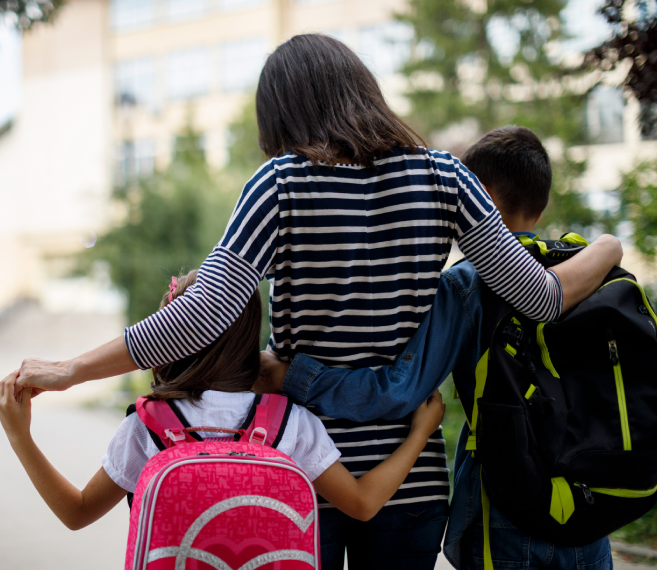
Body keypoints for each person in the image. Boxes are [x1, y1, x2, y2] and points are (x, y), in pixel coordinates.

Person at [13, 35, 621, 569]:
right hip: (410, 476)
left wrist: (69, 370)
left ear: (282, 114)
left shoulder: (279, 184)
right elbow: (542, 299)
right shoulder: (445, 178)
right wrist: (608, 247)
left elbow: (201, 316)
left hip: (298, 468)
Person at [258, 126, 614, 569]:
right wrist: (609, 245)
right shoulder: (588, 272)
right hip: (592, 507)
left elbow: (398, 390)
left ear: (478, 195)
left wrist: (291, 375)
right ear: (538, 209)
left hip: (508, 504)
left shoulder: (467, 286)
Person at [0, 271, 447, 534]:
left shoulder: (147, 426)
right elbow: (363, 504)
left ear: (168, 338)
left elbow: (76, 514)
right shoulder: (289, 422)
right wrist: (419, 435)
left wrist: (20, 436)